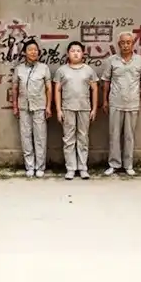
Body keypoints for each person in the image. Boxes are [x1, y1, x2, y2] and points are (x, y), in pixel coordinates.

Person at [101, 32, 141, 176]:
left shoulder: (140, 60)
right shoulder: (112, 60)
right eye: (123, 42)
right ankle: (114, 164)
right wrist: (105, 100)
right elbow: (106, 81)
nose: (126, 45)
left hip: (133, 103)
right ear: (119, 44)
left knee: (129, 135)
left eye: (128, 42)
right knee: (114, 135)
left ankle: (128, 164)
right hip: (115, 102)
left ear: (133, 44)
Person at [54, 41, 99, 180]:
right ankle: (70, 168)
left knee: (83, 138)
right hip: (67, 108)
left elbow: (95, 89)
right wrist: (58, 110)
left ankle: (83, 167)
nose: (75, 53)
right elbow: (57, 90)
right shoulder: (62, 71)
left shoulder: (89, 70)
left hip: (84, 108)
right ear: (68, 53)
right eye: (72, 51)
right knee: (68, 139)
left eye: (78, 51)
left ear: (83, 53)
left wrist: (94, 109)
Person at [12, 40, 53, 178]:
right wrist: (15, 106)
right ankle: (29, 166)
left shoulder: (44, 68)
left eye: (35, 50)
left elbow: (49, 88)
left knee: (40, 137)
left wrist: (48, 106)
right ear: (25, 52)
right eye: (30, 49)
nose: (33, 52)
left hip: (39, 107)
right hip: (23, 107)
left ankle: (40, 167)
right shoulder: (19, 69)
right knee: (26, 137)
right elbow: (15, 88)